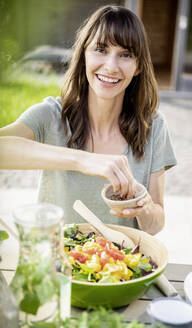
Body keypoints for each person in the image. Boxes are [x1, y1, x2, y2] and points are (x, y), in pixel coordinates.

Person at [0, 5, 177, 235]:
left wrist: (143, 207)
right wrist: (82, 160)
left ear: (138, 67)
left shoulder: (153, 126)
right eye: (101, 50)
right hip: (56, 265)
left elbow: (155, 225)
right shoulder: (51, 115)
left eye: (125, 54)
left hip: (120, 267)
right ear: (83, 55)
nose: (111, 67)